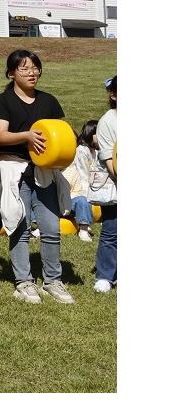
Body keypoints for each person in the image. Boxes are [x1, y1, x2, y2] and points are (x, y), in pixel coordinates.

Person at [0, 49, 75, 304]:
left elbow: (60, 134)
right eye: (24, 68)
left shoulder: (48, 101)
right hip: (15, 170)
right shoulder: (3, 102)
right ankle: (24, 282)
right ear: (11, 73)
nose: (31, 73)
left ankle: (52, 280)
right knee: (20, 226)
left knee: (51, 227)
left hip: (45, 171)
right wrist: (26, 136)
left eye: (35, 68)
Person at [93, 76, 117, 293]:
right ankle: (105, 275)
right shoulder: (108, 121)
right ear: (114, 95)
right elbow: (110, 160)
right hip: (115, 185)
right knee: (112, 230)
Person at [65, 120, 99, 242]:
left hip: (82, 191)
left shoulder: (95, 151)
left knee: (83, 200)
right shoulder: (81, 151)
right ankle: (83, 229)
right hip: (73, 194)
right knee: (82, 201)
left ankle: (85, 223)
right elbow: (84, 175)